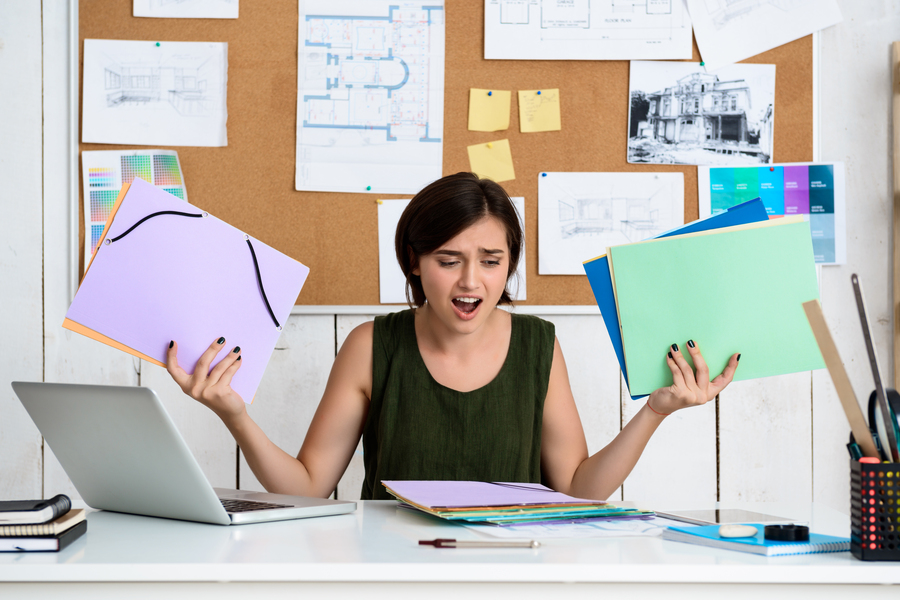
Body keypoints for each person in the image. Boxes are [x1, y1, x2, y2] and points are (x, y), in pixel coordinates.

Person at [166, 172, 740, 501]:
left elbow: (577, 489)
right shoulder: (371, 346)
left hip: (507, 574)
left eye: (491, 260)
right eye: (448, 259)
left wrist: (656, 411)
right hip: (389, 575)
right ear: (414, 262)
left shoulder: (539, 346)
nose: (471, 281)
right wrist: (234, 414)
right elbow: (310, 486)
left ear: (509, 265)